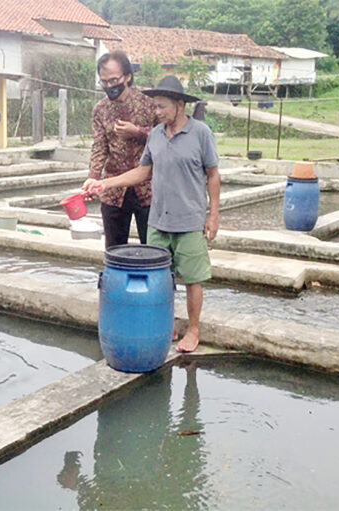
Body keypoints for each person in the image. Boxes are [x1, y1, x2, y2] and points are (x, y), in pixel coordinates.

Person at [83, 75, 220, 353]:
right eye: (154, 106)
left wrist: (213, 215)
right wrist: (105, 183)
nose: (156, 112)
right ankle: (167, 324)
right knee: (162, 279)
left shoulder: (200, 133)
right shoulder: (156, 135)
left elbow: (213, 175)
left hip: (189, 220)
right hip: (158, 221)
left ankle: (193, 330)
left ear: (179, 104)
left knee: (192, 279)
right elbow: (143, 172)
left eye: (161, 106)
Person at [87, 50, 157, 248]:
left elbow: (166, 138)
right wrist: (93, 177)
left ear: (127, 77)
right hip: (113, 189)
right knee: (114, 249)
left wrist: (138, 132)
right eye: (104, 81)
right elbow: (99, 145)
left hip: (148, 188)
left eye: (114, 80)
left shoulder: (149, 103)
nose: (110, 86)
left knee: (153, 247)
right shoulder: (100, 109)